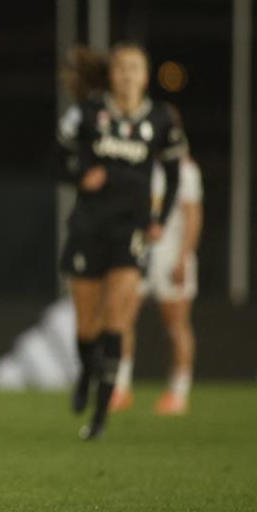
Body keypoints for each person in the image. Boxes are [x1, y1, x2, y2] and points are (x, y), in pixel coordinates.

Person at [56, 43, 187, 440]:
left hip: (130, 231)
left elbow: (175, 173)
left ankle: (99, 419)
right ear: (111, 75)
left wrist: (160, 221)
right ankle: (85, 372)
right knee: (86, 327)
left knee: (116, 320)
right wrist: (80, 177)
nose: (128, 75)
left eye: (135, 68)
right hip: (88, 227)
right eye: (121, 68)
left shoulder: (163, 118)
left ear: (146, 76)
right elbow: (55, 160)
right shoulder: (87, 113)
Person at [110, 152, 203, 415]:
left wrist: (184, 258)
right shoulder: (137, 163)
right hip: (138, 252)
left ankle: (178, 391)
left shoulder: (185, 171)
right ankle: (120, 386)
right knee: (123, 318)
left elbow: (192, 215)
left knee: (176, 324)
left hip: (171, 254)